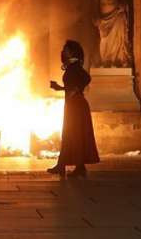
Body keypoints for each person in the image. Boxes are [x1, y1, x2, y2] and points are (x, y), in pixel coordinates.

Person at [48, 39, 100, 178]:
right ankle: (75, 166)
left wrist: (76, 89)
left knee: (72, 134)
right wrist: (61, 88)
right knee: (73, 134)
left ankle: (64, 165)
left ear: (71, 51)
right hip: (73, 105)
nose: (63, 52)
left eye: (65, 49)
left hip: (76, 105)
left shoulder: (75, 66)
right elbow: (74, 83)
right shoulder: (72, 66)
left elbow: (86, 78)